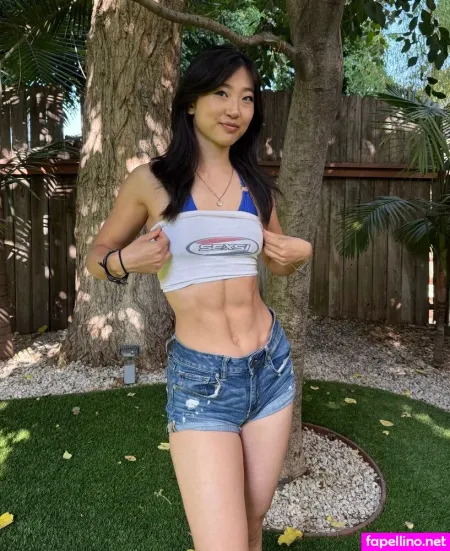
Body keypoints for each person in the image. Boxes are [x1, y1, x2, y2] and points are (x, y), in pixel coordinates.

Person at [86, 44, 312, 551]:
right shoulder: (151, 182)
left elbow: (277, 260)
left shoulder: (256, 186)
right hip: (201, 381)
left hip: (270, 367)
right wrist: (125, 261)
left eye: (247, 98)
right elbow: (95, 257)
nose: (236, 109)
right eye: (222, 93)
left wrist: (300, 253)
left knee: (253, 521)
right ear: (191, 102)